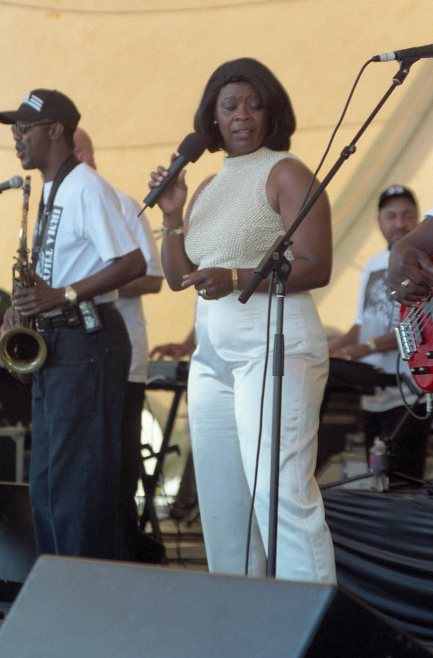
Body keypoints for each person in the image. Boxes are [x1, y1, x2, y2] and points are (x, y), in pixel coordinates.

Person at [147, 57, 336, 583]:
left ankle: (315, 631)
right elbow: (180, 276)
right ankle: (239, 631)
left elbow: (315, 265)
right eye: (229, 105)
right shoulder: (206, 185)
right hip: (212, 354)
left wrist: (236, 278)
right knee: (224, 509)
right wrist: (171, 217)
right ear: (212, 116)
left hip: (274, 342)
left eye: (254, 104)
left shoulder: (288, 172)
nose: (242, 115)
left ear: (272, 113)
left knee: (282, 497)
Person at [0, 88, 146, 560]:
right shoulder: (53, 189)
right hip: (60, 339)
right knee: (46, 485)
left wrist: (62, 295)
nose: (16, 138)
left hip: (86, 340)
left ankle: (82, 606)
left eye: (24, 128)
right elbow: (61, 268)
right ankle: (57, 594)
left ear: (56, 130)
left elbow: (133, 261)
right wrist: (19, 308)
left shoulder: (86, 187)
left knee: (75, 485)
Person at [73, 127, 164, 560]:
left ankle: (123, 551)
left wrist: (88, 287)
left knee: (120, 459)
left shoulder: (125, 206)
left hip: (121, 357)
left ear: (83, 155)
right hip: (75, 356)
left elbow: (151, 278)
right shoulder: (63, 206)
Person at [329, 186, 431, 479]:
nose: (399, 223)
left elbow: (419, 327)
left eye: (407, 215)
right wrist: (332, 351)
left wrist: (366, 348)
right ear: (379, 221)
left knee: (402, 485)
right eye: (391, 216)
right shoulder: (372, 264)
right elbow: (363, 323)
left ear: (419, 219)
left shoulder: (425, 261)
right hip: (372, 394)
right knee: (378, 481)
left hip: (408, 394)